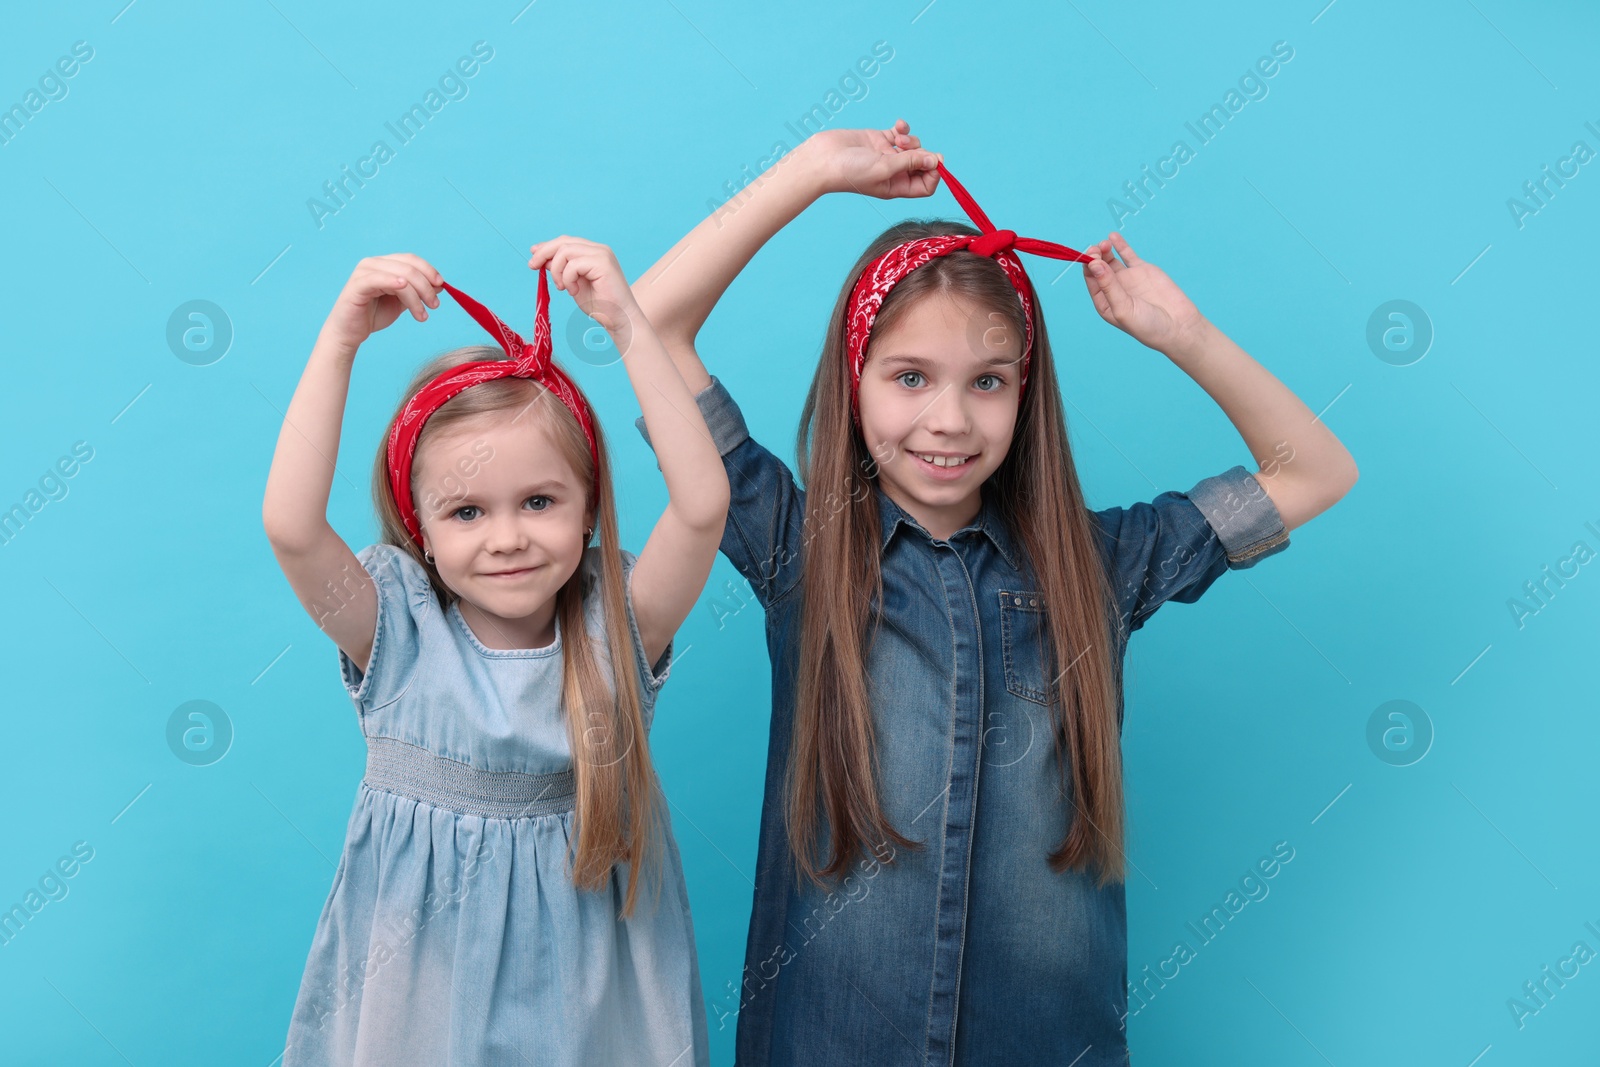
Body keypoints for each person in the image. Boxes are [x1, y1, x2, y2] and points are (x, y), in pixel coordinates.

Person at [629, 121, 1358, 1065]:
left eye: (988, 381)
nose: (949, 419)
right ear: (854, 384)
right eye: (909, 377)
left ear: (1026, 390)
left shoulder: (1102, 562)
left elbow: (1315, 472)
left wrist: (1184, 335)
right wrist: (810, 174)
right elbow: (649, 322)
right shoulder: (793, 544)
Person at [262, 241, 728, 1065]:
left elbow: (702, 506)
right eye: (467, 512)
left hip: (590, 993)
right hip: (420, 989)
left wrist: (626, 324)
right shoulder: (394, 631)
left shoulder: (615, 627)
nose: (508, 537)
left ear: (588, 509)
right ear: (420, 530)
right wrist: (340, 340)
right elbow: (292, 526)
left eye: (540, 501)